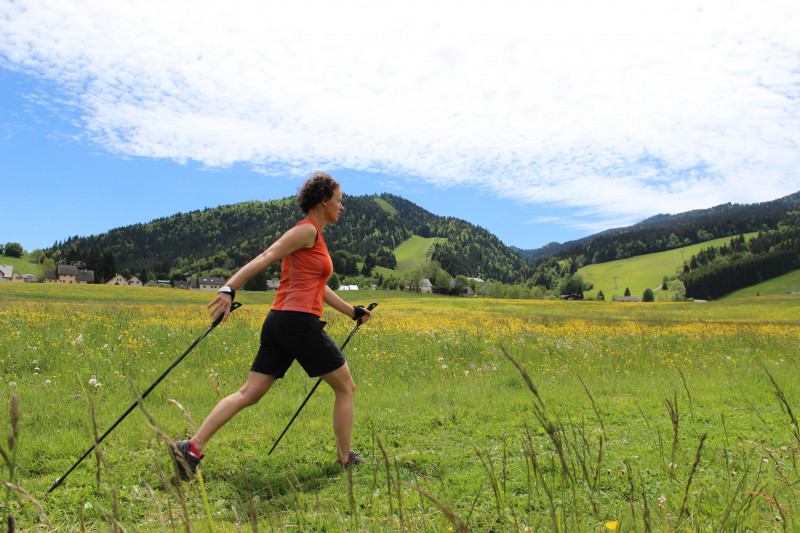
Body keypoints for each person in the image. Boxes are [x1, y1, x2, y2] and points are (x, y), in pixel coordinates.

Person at [170, 171, 372, 480]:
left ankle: (191, 448)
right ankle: (345, 459)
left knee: (249, 393)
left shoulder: (313, 236)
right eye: (339, 200)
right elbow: (267, 255)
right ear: (323, 201)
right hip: (298, 323)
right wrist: (229, 287)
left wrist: (351, 311)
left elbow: (318, 286)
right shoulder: (307, 230)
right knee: (346, 387)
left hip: (280, 322)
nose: (342, 207)